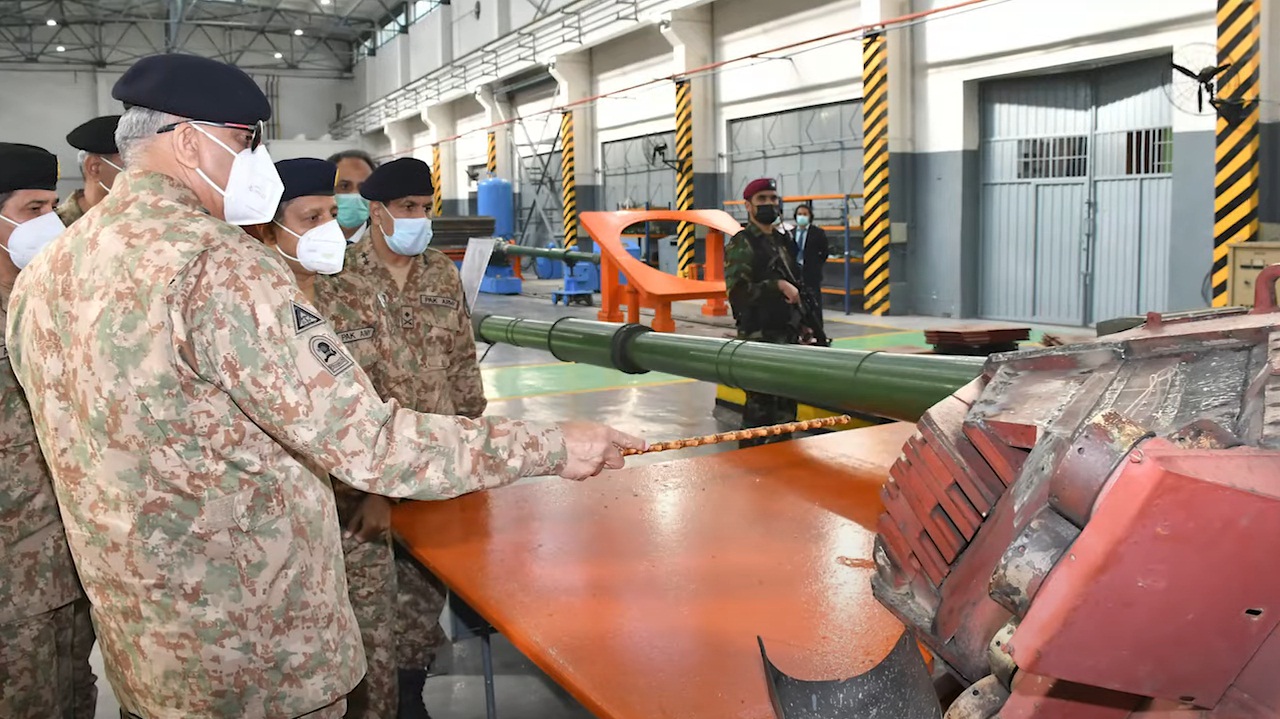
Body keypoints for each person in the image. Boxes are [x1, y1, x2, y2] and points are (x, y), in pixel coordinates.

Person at [5, 53, 643, 719]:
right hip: (259, 655)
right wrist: (551, 445)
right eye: (245, 140)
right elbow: (367, 440)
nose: (256, 161)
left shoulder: (49, 269)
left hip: (146, 649)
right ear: (188, 140)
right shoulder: (221, 268)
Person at [316, 157, 478, 719]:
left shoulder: (440, 271)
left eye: (426, 207)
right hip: (365, 477)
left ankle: (411, 693)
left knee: (424, 593)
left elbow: (462, 364)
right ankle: (372, 699)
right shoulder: (337, 278)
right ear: (378, 212)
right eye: (409, 208)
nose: (420, 219)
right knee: (368, 601)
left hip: (436, 465)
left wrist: (475, 441)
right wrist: (364, 486)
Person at [243, 157, 400, 719]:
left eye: (333, 214)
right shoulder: (249, 300)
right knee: (302, 669)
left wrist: (380, 492)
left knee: (374, 651)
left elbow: (389, 397)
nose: (328, 229)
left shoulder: (356, 291)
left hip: (357, 512)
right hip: (282, 528)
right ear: (268, 228)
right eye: (310, 217)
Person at [0, 142, 98, 718]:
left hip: (70, 552)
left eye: (51, 207)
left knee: (74, 691)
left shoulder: (55, 295)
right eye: (34, 209)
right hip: (10, 571)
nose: (50, 222)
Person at [724, 178, 806, 448]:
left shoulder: (782, 242)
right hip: (758, 339)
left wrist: (803, 323)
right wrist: (776, 285)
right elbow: (738, 292)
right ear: (748, 205)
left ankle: (782, 468)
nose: (770, 204)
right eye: (762, 200)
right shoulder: (742, 243)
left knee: (785, 412)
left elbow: (797, 285)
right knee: (759, 415)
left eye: (773, 198)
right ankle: (751, 472)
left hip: (787, 336)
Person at [57, 115, 124, 226]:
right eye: (132, 164)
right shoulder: (53, 230)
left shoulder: (147, 219)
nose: (142, 174)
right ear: (95, 168)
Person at [789, 203, 831, 339]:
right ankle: (800, 331)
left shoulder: (817, 233)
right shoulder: (791, 233)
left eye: (805, 214)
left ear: (810, 217)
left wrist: (815, 265)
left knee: (814, 304)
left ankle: (819, 334)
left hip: (811, 274)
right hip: (795, 274)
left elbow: (824, 252)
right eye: (799, 214)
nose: (802, 217)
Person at [329, 149, 379, 242]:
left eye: (363, 187)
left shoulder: (387, 242)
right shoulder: (306, 240)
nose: (355, 194)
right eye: (344, 186)